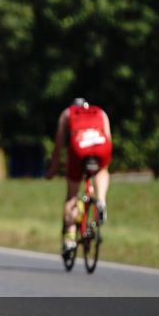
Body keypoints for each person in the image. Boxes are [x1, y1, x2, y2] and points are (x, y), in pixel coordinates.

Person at [46, 98, 112, 255]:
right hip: (101, 145)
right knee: (102, 170)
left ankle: (69, 239)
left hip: (79, 147)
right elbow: (108, 138)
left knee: (72, 195)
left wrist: (53, 169)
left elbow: (59, 144)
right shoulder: (100, 112)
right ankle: (101, 200)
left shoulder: (67, 113)